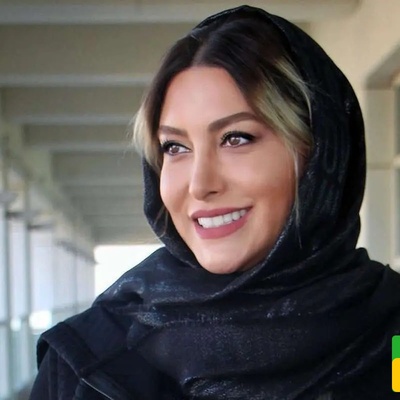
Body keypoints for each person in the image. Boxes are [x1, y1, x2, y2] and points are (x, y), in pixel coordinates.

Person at [30, 5, 400, 400]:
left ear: (320, 155)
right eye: (175, 147)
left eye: (236, 138)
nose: (199, 184)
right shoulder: (90, 362)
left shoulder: (391, 336)